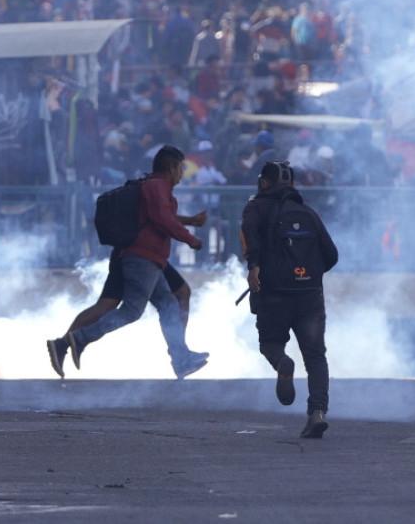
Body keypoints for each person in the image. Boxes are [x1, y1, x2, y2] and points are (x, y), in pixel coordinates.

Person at [46, 146, 209, 379]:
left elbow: (156, 215)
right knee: (130, 310)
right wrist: (190, 238)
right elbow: (161, 217)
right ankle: (77, 339)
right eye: (180, 168)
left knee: (166, 301)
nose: (182, 174)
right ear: (171, 168)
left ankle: (181, 357)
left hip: (145, 257)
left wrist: (189, 222)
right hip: (142, 256)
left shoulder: (153, 186)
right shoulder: (157, 186)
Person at [240, 161, 339, 439]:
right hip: (310, 296)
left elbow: (248, 234)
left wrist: (255, 266)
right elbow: (331, 254)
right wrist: (308, 275)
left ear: (266, 182)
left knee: (271, 343)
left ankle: (282, 362)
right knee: (316, 356)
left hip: (273, 294)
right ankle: (317, 413)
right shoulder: (308, 212)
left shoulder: (255, 207)